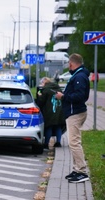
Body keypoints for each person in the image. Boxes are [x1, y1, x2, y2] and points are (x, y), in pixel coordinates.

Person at [55, 53, 90, 183]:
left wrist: (63, 97)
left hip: (75, 113)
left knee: (74, 143)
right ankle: (76, 170)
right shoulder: (79, 75)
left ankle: (82, 171)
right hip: (74, 112)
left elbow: (80, 96)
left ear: (71, 63)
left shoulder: (79, 77)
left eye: (68, 63)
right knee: (74, 142)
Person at [36, 77, 65, 150]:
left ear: (44, 82)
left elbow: (41, 102)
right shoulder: (58, 88)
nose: (41, 84)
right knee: (58, 126)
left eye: (42, 83)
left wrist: (39, 94)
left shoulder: (45, 90)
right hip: (59, 111)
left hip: (49, 111)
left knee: (49, 127)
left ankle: (46, 144)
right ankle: (58, 142)